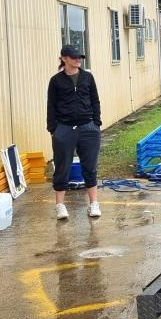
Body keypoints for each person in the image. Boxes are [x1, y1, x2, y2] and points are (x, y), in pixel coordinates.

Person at [47, 44, 102, 220]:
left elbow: (95, 100)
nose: (78, 59)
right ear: (64, 58)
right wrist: (53, 129)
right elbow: (51, 106)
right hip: (64, 128)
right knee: (62, 167)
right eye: (74, 57)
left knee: (90, 167)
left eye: (79, 57)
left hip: (88, 128)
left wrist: (96, 123)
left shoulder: (87, 77)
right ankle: (60, 206)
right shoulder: (56, 81)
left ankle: (93, 204)